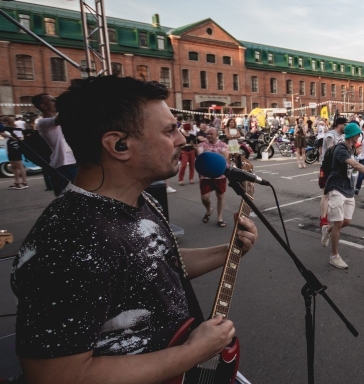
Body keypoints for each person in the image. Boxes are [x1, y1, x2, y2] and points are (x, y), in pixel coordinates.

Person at [11, 76, 259, 383]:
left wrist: (229, 250)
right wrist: (194, 352)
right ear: (119, 145)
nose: (182, 140)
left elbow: (154, 265)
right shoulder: (71, 240)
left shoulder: (136, 200)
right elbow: (56, 376)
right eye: (170, 130)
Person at [321, 123, 364, 269]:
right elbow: (355, 165)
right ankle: (334, 256)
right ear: (352, 135)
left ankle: (327, 230)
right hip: (336, 187)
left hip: (347, 188)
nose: (360, 135)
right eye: (358, 133)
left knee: (346, 221)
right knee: (338, 223)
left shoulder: (350, 148)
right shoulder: (341, 149)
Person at [31, 93, 78, 195]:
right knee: (66, 201)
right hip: (63, 166)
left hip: (75, 163)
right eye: (52, 100)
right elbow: (61, 117)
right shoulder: (42, 123)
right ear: (44, 106)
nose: (56, 101)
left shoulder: (62, 120)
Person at [319, 117, 347, 230]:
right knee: (326, 193)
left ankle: (335, 215)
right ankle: (323, 219)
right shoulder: (330, 135)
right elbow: (331, 149)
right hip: (328, 167)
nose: (346, 127)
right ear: (339, 125)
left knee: (339, 192)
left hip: (340, 167)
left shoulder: (343, 136)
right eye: (345, 124)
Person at [197, 128, 229, 227]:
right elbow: (200, 156)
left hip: (220, 175)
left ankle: (220, 218)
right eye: (207, 134)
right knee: (205, 198)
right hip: (205, 176)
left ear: (216, 135)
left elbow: (225, 157)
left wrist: (209, 156)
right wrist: (217, 156)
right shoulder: (202, 145)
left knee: (220, 196)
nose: (209, 135)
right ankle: (208, 209)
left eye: (211, 134)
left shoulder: (223, 145)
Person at [1, 115, 28, 189]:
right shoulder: (5, 129)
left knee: (19, 165)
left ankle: (24, 182)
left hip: (15, 148)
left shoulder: (14, 128)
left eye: (5, 122)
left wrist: (10, 136)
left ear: (8, 121)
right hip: (8, 148)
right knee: (13, 166)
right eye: (2, 123)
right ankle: (17, 181)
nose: (4, 124)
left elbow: (18, 138)